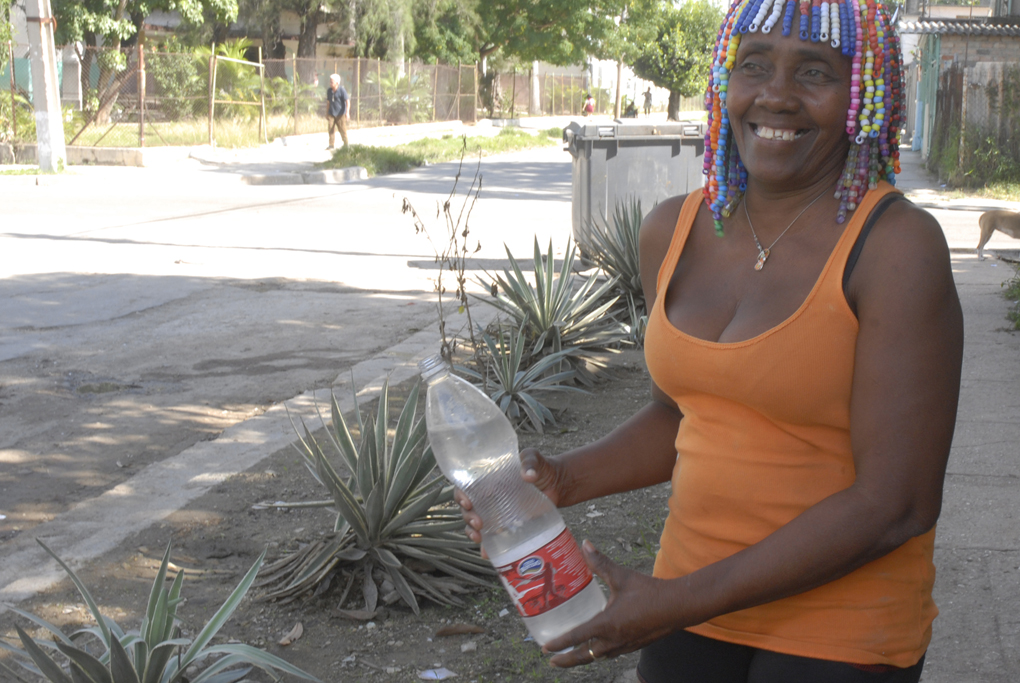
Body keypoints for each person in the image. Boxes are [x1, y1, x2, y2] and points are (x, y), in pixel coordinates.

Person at [456, 0, 964, 680]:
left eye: (814, 71)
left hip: (840, 629)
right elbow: (682, 414)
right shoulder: (672, 230)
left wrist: (674, 603)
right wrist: (560, 479)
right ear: (726, 80)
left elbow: (896, 504)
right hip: (686, 601)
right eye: (754, 65)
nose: (776, 95)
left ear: (863, 93)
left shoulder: (896, 248)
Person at [325, 73, 349, 150]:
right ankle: (331, 144)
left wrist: (347, 112)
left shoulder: (341, 90)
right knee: (330, 129)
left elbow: (347, 101)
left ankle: (346, 144)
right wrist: (327, 113)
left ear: (337, 83)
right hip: (331, 113)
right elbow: (328, 102)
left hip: (340, 114)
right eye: (330, 81)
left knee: (342, 129)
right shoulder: (329, 91)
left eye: (332, 82)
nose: (330, 83)